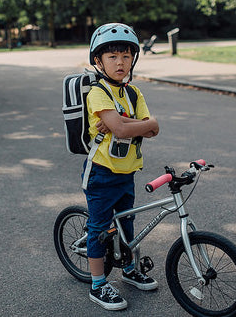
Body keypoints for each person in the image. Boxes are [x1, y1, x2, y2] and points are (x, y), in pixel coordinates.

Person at [82, 23, 159, 311]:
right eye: (112, 57)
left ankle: (128, 270)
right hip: (102, 174)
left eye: (126, 56)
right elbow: (126, 129)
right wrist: (138, 125)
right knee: (99, 229)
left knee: (127, 225)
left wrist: (130, 124)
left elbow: (153, 128)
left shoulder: (134, 93)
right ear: (98, 61)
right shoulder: (98, 93)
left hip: (127, 172)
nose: (120, 62)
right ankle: (98, 284)